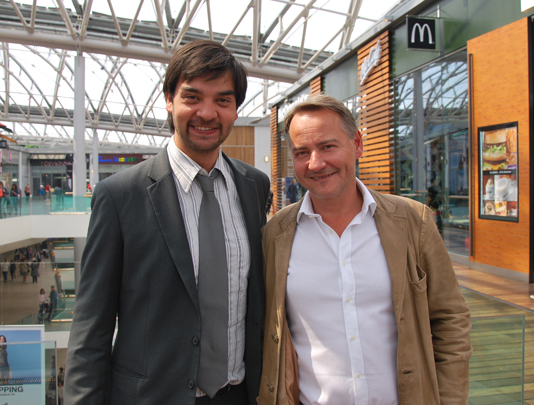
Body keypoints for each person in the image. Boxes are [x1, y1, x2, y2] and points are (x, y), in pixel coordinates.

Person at [65, 39, 270, 404]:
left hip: (240, 395)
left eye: (222, 100)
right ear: (169, 100)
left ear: (236, 109)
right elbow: (90, 329)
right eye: (192, 97)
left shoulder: (254, 186)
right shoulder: (120, 196)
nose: (207, 113)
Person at [258, 94, 472, 404]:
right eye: (302, 152)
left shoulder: (412, 222)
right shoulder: (276, 235)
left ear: (357, 144)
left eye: (328, 146)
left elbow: (450, 319)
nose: (316, 163)